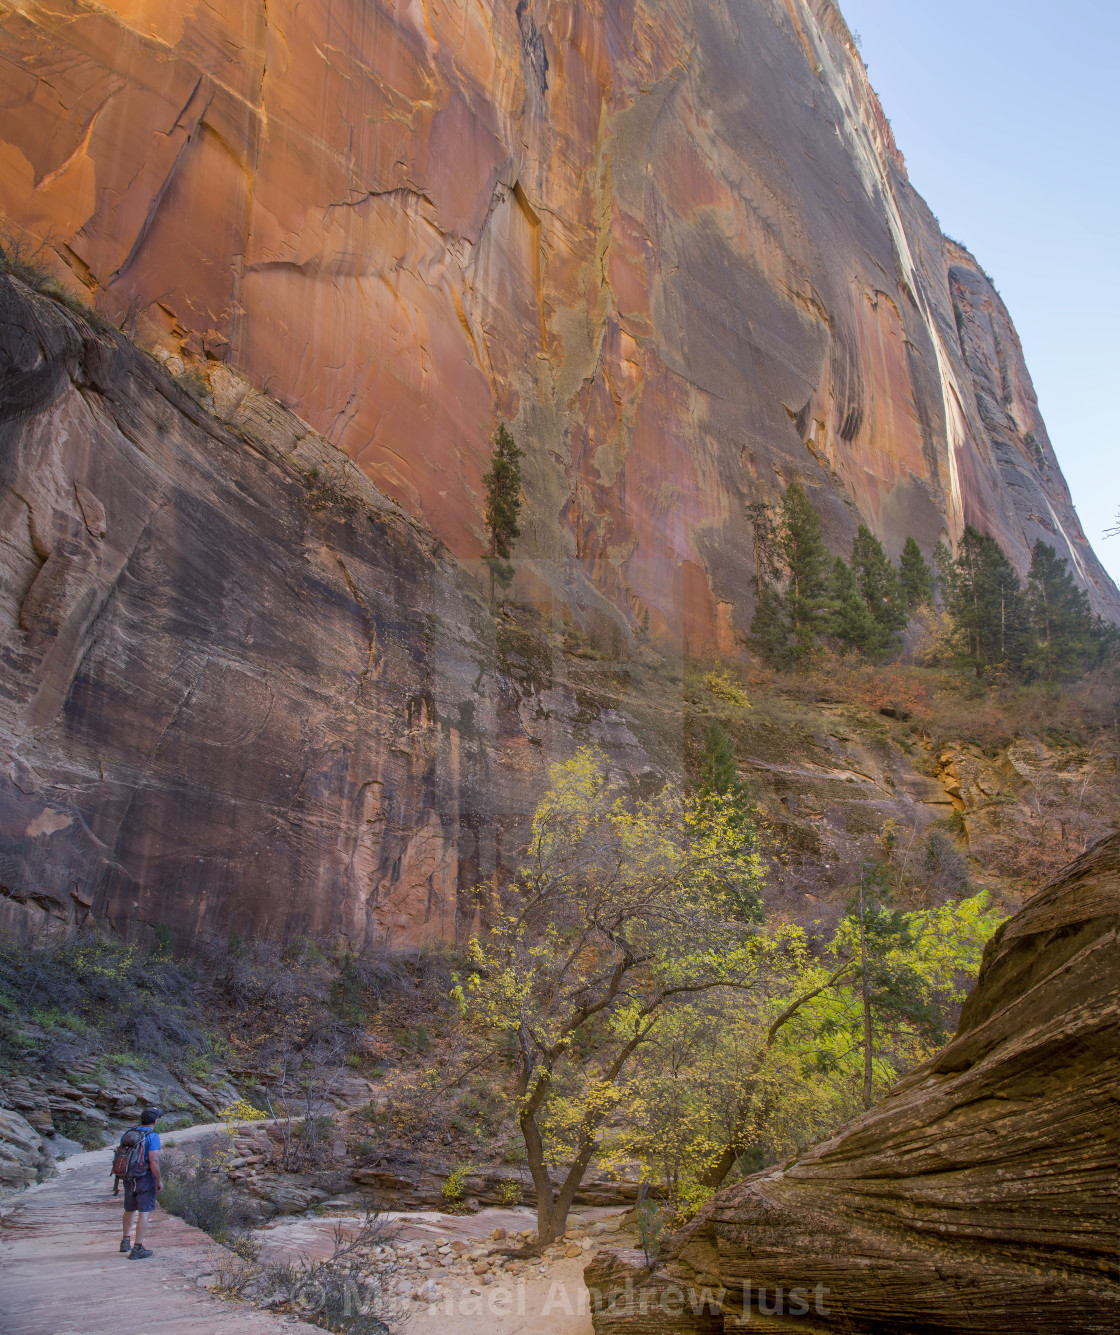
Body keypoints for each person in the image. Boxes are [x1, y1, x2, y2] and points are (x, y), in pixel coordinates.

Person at [120, 1107, 162, 1259]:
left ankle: (125, 1241)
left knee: (129, 1208)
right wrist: (158, 1180)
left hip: (128, 1177)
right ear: (155, 1121)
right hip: (144, 1177)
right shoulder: (152, 1136)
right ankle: (138, 1247)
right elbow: (154, 1160)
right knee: (144, 1211)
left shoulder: (129, 1133)